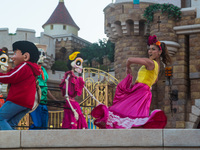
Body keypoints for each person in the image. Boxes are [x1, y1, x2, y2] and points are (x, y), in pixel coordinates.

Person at [91, 35, 171, 129]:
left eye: (153, 49)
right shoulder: (157, 66)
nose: (150, 51)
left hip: (140, 90)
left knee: (123, 108)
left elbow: (129, 60)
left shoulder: (150, 62)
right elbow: (155, 80)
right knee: (135, 115)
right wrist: (145, 84)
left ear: (159, 52)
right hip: (145, 92)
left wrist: (128, 67)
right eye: (149, 49)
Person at [0, 41, 40, 130]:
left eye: (15, 53)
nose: (12, 58)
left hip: (17, 100)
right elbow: (17, 76)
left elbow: (11, 77)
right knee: (10, 123)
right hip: (27, 103)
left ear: (25, 56)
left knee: (0, 119)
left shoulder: (25, 66)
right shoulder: (31, 68)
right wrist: (12, 70)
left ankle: (11, 143)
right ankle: (11, 142)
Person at [29, 47, 57, 129]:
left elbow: (45, 88)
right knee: (37, 125)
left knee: (44, 127)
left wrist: (55, 100)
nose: (43, 57)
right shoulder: (31, 68)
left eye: (43, 54)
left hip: (43, 104)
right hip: (35, 103)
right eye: (40, 54)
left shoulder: (43, 70)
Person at [59, 51, 88, 129]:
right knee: (72, 121)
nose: (80, 66)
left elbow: (83, 87)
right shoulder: (69, 76)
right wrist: (73, 110)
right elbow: (66, 95)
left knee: (79, 117)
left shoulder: (76, 78)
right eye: (78, 63)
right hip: (70, 103)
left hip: (73, 102)